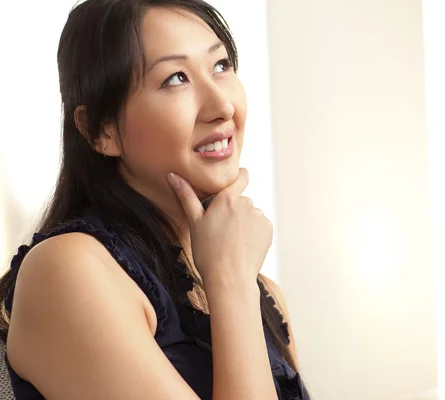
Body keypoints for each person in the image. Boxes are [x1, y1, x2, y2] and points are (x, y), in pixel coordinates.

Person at [0, 0, 310, 399]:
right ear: (100, 130)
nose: (222, 107)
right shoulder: (67, 271)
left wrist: (233, 281)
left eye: (221, 66)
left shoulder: (261, 292)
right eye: (176, 78)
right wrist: (231, 281)